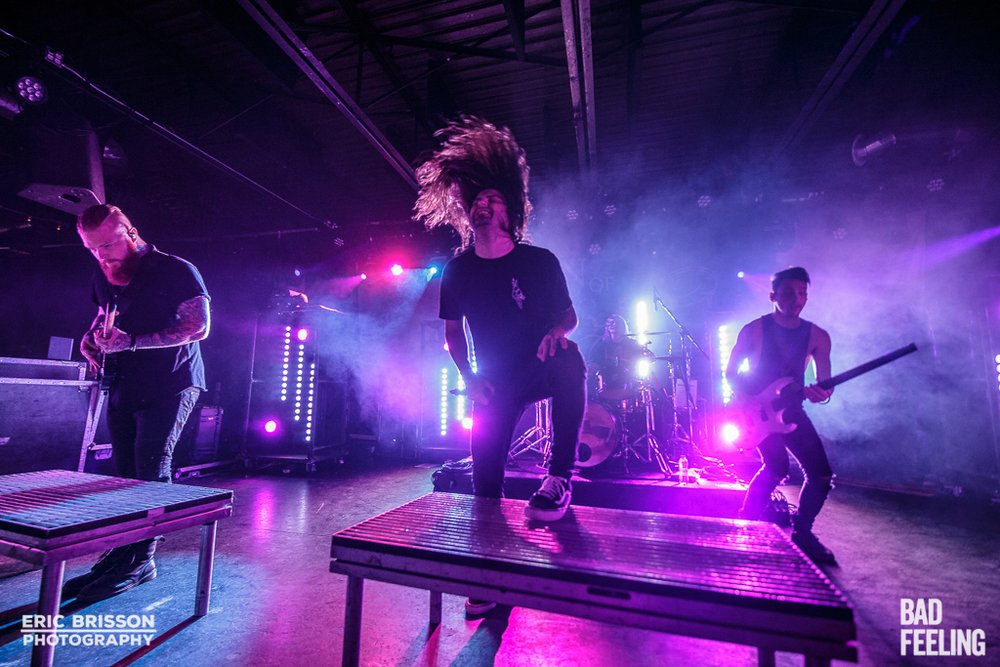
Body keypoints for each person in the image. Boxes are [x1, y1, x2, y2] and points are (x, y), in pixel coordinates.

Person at [415, 117, 587, 614]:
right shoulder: (458, 270)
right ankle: (489, 580)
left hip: (539, 362)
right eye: (477, 199)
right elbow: (452, 335)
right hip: (493, 379)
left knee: (571, 359)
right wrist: (469, 378)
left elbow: (569, 316)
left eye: (493, 198)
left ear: (511, 210)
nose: (483, 204)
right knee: (485, 481)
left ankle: (559, 478)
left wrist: (557, 333)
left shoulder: (540, 261)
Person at [65, 203, 211, 601]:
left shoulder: (176, 270)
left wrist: (131, 342)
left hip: (172, 383)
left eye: (108, 246)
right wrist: (91, 337)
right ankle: (123, 550)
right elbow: (106, 312)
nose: (102, 256)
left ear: (131, 234)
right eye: (92, 249)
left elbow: (198, 327)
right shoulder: (105, 272)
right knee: (124, 473)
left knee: (150, 468)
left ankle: (142, 560)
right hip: (125, 382)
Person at [725, 266, 836, 564]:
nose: (796, 299)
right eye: (788, 292)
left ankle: (803, 533)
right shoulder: (754, 330)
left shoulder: (818, 336)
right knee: (776, 468)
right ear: (773, 296)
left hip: (791, 412)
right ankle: (746, 526)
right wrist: (747, 400)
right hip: (758, 413)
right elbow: (731, 373)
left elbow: (825, 384)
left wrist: (822, 392)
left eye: (802, 293)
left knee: (821, 475)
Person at [588, 314, 650, 401]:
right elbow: (594, 363)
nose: (614, 325)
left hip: (629, 382)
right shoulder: (601, 345)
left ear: (623, 326)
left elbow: (649, 357)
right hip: (606, 385)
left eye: (617, 323)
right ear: (607, 327)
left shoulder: (633, 344)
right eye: (611, 323)